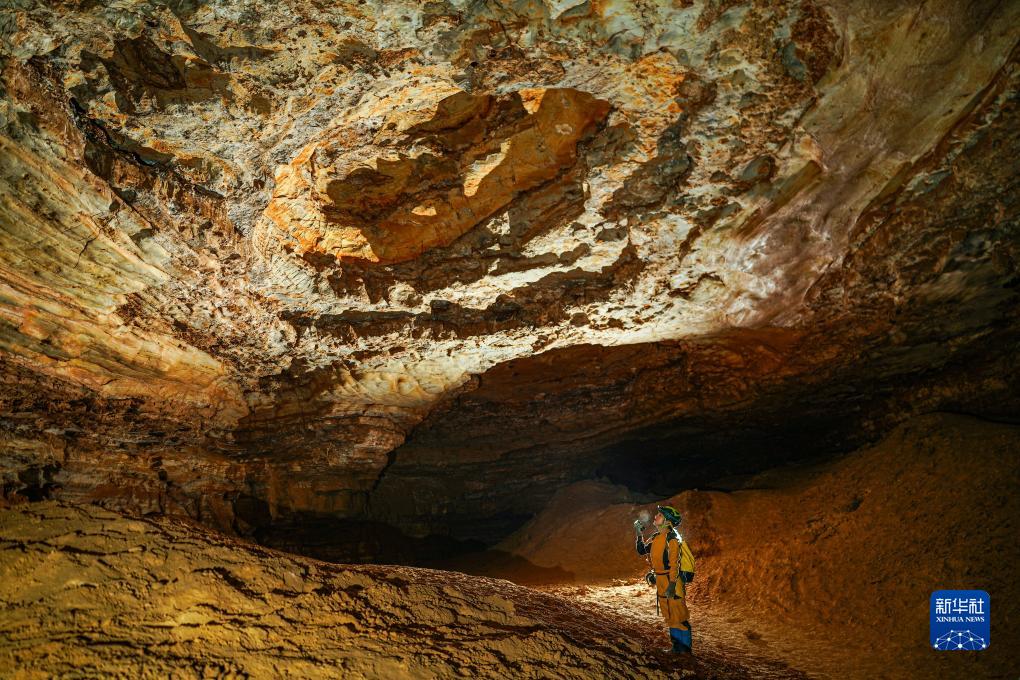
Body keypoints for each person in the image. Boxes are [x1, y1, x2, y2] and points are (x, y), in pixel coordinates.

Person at [635, 505, 694, 654]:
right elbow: (642, 550)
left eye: (660, 515)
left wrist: (673, 584)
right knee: (668, 613)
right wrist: (638, 533)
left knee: (678, 613)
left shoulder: (671, 539)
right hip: (661, 579)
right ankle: (676, 646)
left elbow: (675, 564)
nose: (656, 516)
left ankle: (685, 648)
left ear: (667, 521)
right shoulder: (656, 537)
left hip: (671, 580)